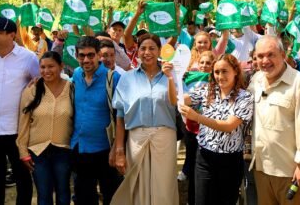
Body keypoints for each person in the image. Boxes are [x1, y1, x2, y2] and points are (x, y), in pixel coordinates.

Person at [110, 33, 179, 205]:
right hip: (136, 139)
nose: (147, 52)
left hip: (164, 138)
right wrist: (119, 150)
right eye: (143, 48)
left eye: (152, 48)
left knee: (163, 187)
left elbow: (177, 103)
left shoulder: (172, 75)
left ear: (160, 51)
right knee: (137, 186)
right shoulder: (127, 78)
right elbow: (120, 116)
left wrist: (170, 77)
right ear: (137, 51)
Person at [177, 54, 253, 205]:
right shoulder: (206, 91)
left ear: (235, 71)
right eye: (217, 72)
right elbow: (177, 99)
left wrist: (197, 117)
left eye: (224, 71)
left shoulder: (245, 97)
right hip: (204, 159)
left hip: (230, 162)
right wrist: (173, 77)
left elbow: (228, 126)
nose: (220, 76)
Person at [249, 35, 300, 205]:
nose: (265, 61)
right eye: (260, 56)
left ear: (283, 55)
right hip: (261, 167)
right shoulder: (256, 80)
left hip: (289, 170)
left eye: (271, 55)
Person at [0, 17, 38, 205]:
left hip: (18, 131)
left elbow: (40, 84)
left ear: (12, 35)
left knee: (22, 178)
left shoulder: (28, 58)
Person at [71, 36, 123, 205]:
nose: (86, 60)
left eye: (90, 55)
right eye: (81, 56)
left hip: (106, 150)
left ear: (99, 55)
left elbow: (121, 117)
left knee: (111, 196)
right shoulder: (76, 75)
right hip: (80, 148)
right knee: (84, 197)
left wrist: (117, 149)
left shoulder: (113, 79)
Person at [17, 51, 73, 205]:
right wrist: (23, 151)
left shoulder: (71, 88)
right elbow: (24, 122)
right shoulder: (32, 90)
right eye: (42, 67)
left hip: (63, 150)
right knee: (44, 195)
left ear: (61, 67)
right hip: (37, 152)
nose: (46, 71)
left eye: (51, 66)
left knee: (63, 193)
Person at [178, 51, 215, 205]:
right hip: (192, 128)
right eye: (202, 63)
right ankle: (192, 199)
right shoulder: (188, 78)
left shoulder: (218, 79)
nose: (205, 66)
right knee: (193, 162)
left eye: (208, 63)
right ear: (197, 64)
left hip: (211, 129)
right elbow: (180, 98)